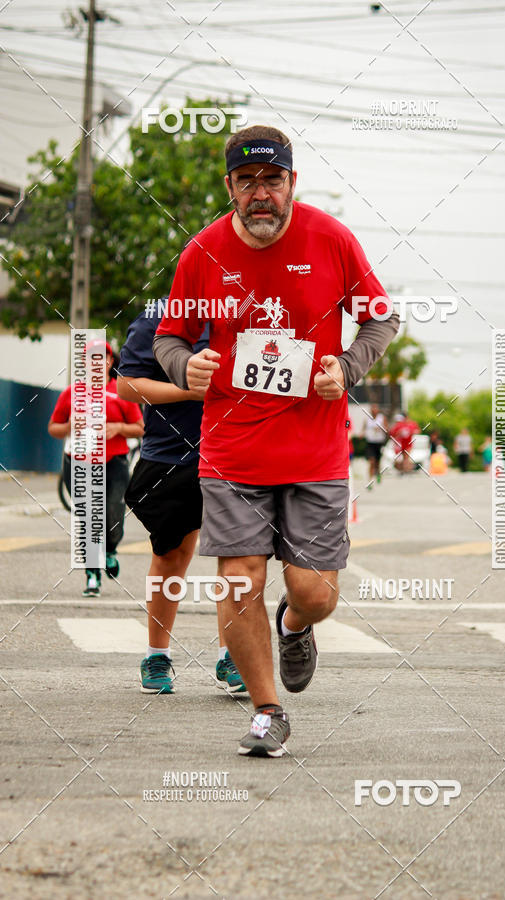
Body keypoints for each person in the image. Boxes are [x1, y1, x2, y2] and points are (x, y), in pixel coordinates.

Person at [153, 124, 399, 757]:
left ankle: (294, 625)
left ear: (293, 182)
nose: (261, 193)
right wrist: (187, 367)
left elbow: (381, 317)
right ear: (229, 185)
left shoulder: (331, 239)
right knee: (239, 582)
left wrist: (347, 366)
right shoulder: (202, 251)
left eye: (273, 179)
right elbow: (169, 338)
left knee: (316, 593)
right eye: (247, 181)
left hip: (314, 449)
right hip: (232, 448)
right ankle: (267, 710)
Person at [117, 306, 247, 696]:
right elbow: (127, 386)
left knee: (238, 557)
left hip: (237, 451)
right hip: (172, 455)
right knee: (172, 554)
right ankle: (157, 655)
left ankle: (232, 656)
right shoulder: (158, 315)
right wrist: (188, 391)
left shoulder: (248, 310)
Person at [48, 341, 144, 596]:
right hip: (78, 463)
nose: (96, 363)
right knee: (89, 517)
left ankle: (111, 549)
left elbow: (140, 427)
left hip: (114, 463)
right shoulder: (71, 394)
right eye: (91, 358)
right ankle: (92, 574)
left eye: (102, 358)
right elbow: (53, 428)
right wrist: (70, 425)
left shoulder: (121, 392)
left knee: (113, 514)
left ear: (110, 362)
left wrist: (118, 428)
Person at [364, 403, 388, 486]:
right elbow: (364, 429)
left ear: (378, 410)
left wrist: (380, 428)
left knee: (378, 462)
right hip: (370, 442)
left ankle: (378, 474)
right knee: (371, 461)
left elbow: (386, 429)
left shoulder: (381, 418)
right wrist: (362, 434)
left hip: (379, 442)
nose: (374, 411)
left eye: (375, 409)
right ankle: (370, 480)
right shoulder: (367, 419)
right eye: (372, 409)